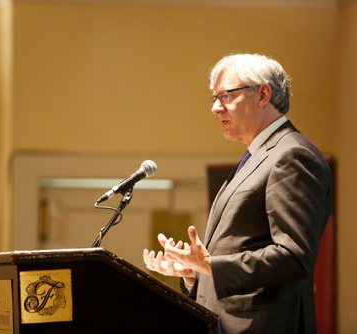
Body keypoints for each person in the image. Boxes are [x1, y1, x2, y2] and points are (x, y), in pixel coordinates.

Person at [143, 53, 333, 333]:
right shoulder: (259, 156)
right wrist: (195, 273)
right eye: (214, 98)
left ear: (263, 94)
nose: (216, 108)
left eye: (226, 95)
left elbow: (293, 255)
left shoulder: (292, 155)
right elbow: (242, 251)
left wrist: (211, 266)